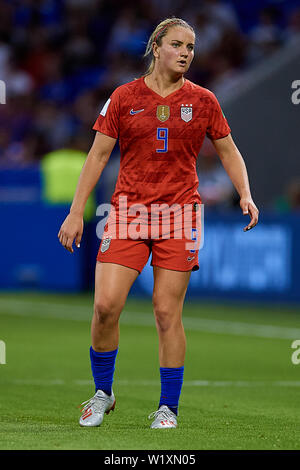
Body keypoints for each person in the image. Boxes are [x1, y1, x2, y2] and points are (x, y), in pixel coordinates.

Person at [58, 17, 259, 429]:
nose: (186, 52)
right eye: (178, 44)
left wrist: (245, 193)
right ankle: (103, 393)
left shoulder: (203, 100)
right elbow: (96, 156)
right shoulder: (123, 97)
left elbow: (228, 151)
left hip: (180, 215)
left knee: (167, 313)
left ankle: (168, 407)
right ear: (156, 47)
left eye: (191, 46)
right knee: (104, 307)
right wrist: (76, 211)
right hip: (129, 213)